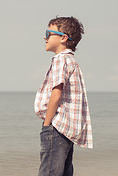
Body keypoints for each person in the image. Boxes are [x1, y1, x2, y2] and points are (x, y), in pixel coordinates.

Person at [34, 16, 93, 176]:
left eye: (48, 33)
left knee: (49, 171)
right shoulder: (71, 60)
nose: (44, 37)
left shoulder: (61, 60)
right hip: (67, 128)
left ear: (63, 38)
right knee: (64, 171)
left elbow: (56, 93)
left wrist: (47, 123)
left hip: (57, 126)